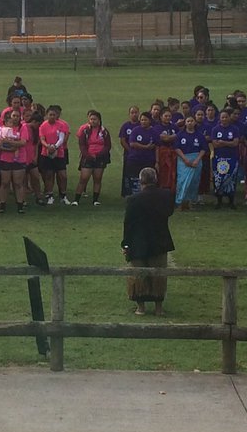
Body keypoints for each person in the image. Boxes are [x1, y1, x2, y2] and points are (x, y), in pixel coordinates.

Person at [121, 167, 175, 316]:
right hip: (159, 240)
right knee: (159, 274)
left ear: (141, 181)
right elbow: (169, 212)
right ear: (155, 180)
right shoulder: (166, 195)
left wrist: (125, 244)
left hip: (138, 241)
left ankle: (141, 308)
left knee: (139, 274)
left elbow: (128, 224)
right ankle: (159, 308)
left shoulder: (133, 200)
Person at [73, 110, 111, 206]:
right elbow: (82, 145)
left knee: (97, 178)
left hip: (100, 158)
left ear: (99, 120)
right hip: (88, 157)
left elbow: (107, 145)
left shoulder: (104, 131)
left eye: (95, 119)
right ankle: (76, 200)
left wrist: (99, 155)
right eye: (91, 119)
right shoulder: (85, 131)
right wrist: (88, 155)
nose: (93, 121)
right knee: (83, 178)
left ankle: (95, 200)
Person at [174, 115, 205, 211]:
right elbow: (177, 148)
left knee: (193, 182)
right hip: (183, 161)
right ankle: (181, 202)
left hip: (196, 160)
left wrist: (197, 160)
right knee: (182, 181)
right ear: (185, 123)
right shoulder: (180, 135)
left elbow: (203, 149)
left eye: (192, 121)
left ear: (195, 122)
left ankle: (190, 202)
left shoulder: (199, 135)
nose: (190, 123)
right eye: (188, 121)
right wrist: (185, 159)